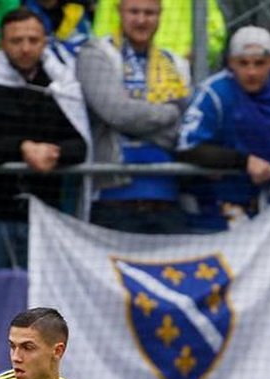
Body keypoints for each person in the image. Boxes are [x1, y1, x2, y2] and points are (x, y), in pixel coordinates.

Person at [0, 7, 89, 268]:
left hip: (45, 216)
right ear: (1, 43)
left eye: (33, 40)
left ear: (44, 42)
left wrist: (55, 153)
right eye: (16, 41)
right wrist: (23, 149)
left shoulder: (61, 85)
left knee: (41, 305)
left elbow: (81, 143)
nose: (25, 48)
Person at [176, 26, 270, 232]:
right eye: (243, 63)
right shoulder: (214, 94)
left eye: (259, 63)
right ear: (231, 64)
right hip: (216, 207)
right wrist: (244, 161)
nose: (251, 72)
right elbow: (187, 148)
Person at [76, 0, 188, 234]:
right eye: (134, 12)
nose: (141, 20)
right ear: (120, 12)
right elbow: (117, 112)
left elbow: (185, 129)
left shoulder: (176, 63)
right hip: (113, 198)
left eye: (149, 13)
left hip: (167, 199)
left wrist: (137, 120)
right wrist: (170, 112)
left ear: (160, 16)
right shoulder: (95, 54)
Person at [92, 0, 225, 68]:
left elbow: (216, 31)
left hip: (179, 70)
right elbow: (101, 33)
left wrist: (195, 53)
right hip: (126, 70)